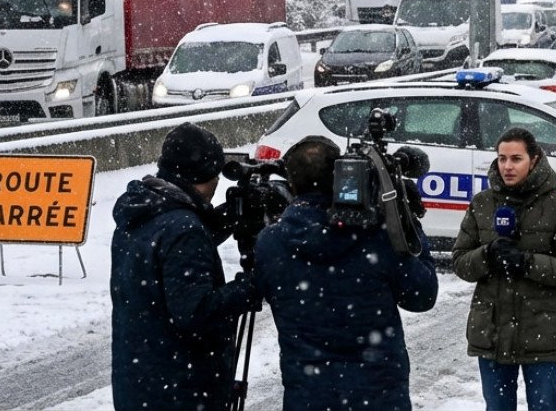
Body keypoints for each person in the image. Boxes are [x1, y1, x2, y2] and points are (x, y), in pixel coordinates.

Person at [253, 136, 440, 411]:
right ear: (344, 177)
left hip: (308, 396)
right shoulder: (377, 236)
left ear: (291, 183)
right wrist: (404, 219)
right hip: (379, 396)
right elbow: (422, 296)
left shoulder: (271, 242)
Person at [110, 122, 257, 411]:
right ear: (207, 176)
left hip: (142, 382)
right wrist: (252, 286)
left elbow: (168, 252)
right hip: (181, 390)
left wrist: (226, 218)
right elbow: (195, 313)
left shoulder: (143, 210)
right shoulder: (184, 229)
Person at [453, 128, 556, 411]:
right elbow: (461, 263)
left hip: (543, 331)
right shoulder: (482, 204)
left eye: (516, 159)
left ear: (535, 159)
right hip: (491, 332)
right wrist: (487, 255)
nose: (507, 166)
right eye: (502, 159)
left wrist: (526, 263)